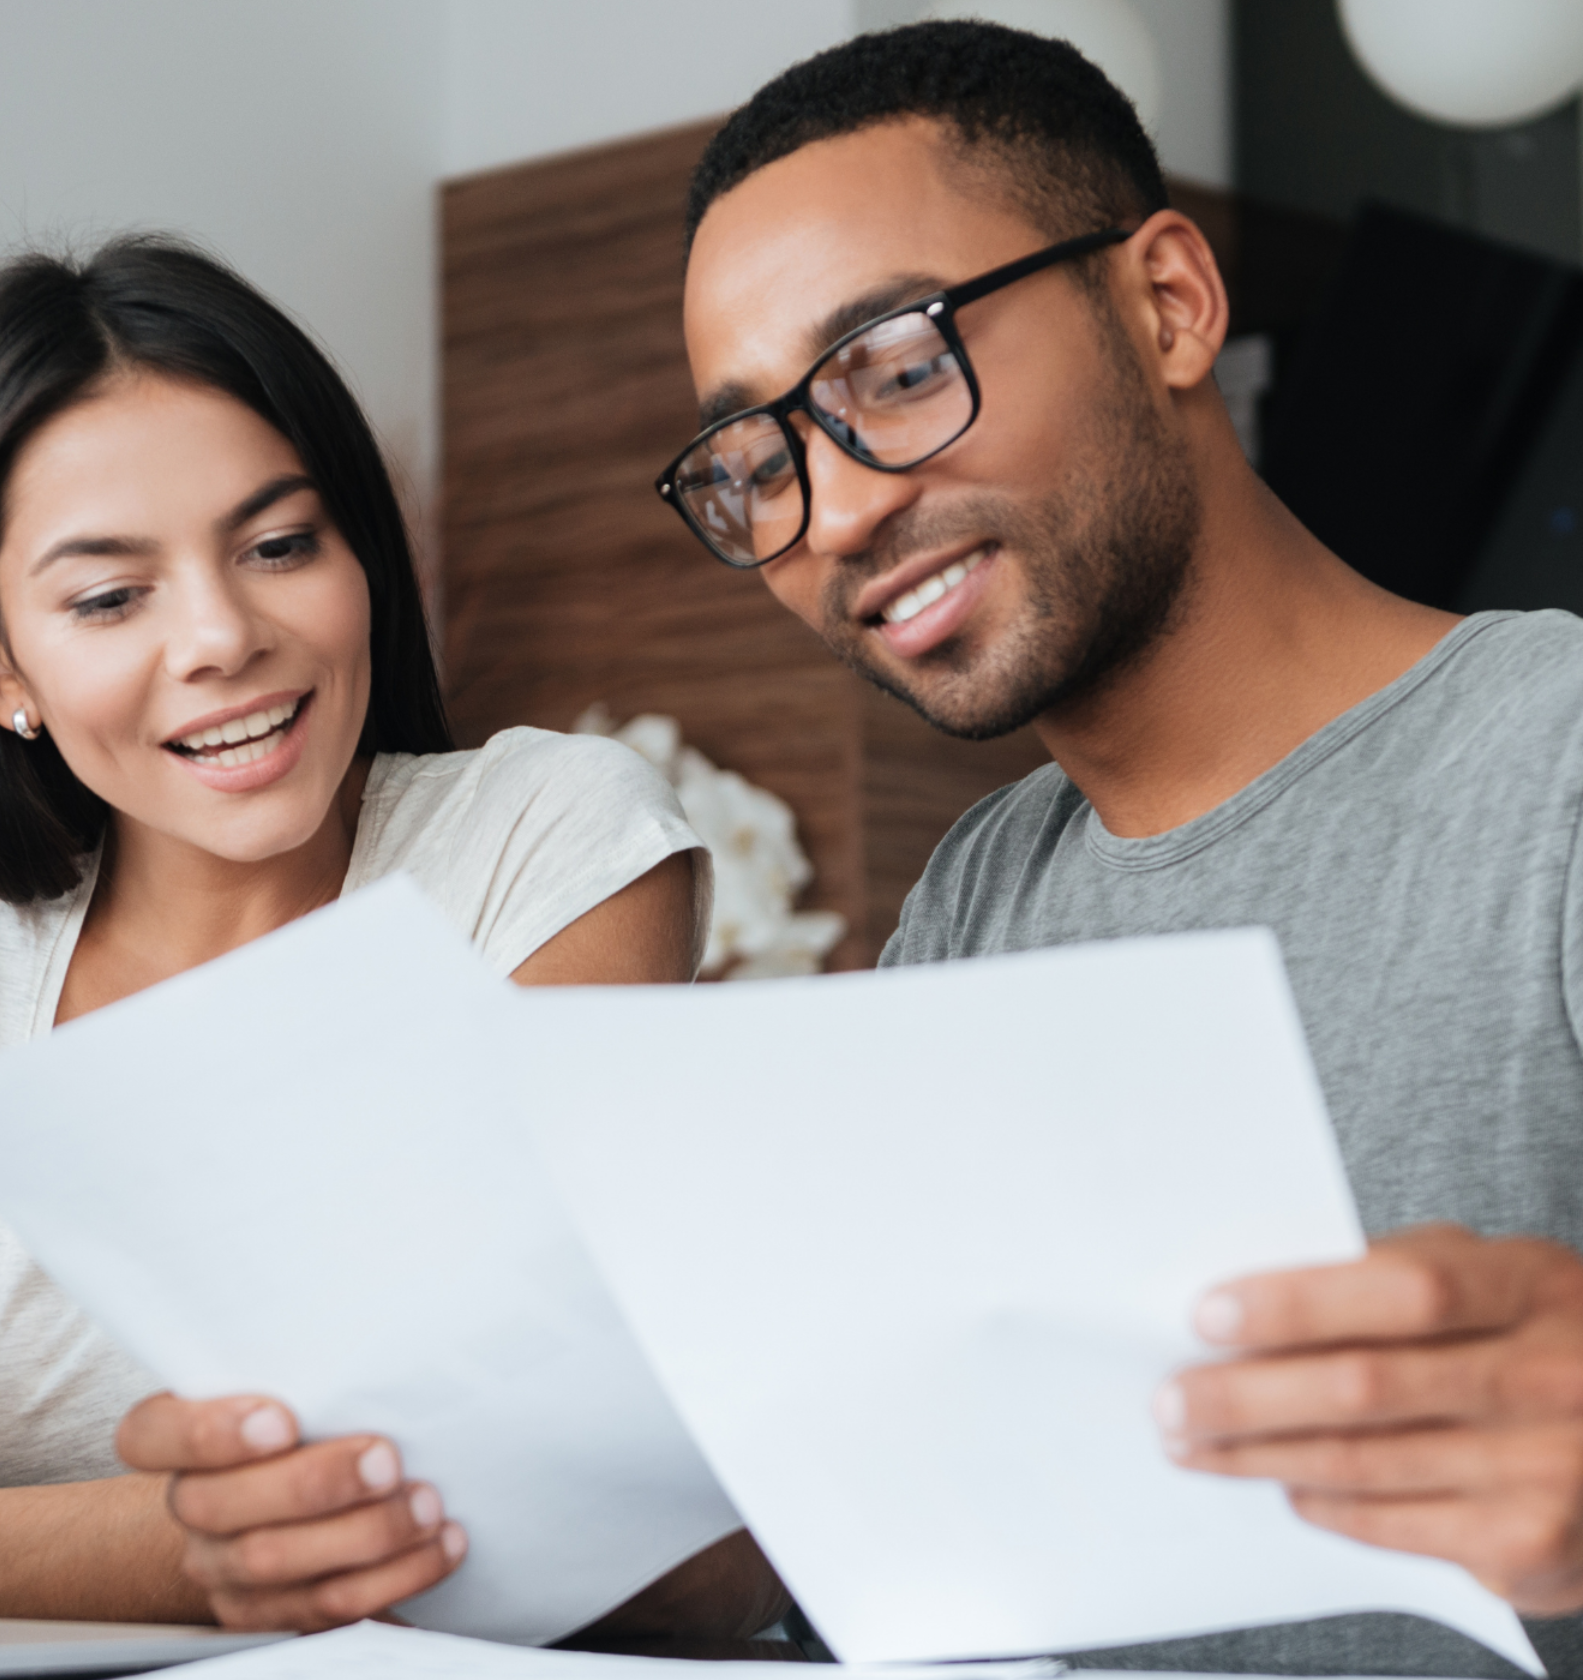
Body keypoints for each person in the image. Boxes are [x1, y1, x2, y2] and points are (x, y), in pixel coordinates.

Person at [137, 20, 1583, 1675]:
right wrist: (387, 1523)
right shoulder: (980, 896)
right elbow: (831, 1536)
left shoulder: (1553, 765)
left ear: (1167, 302)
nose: (830, 517)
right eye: (755, 462)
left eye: (894, 368)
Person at [0, 236, 769, 1631]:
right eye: (112, 596)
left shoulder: (546, 840)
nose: (223, 636)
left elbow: (462, 1493)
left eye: (281, 545)